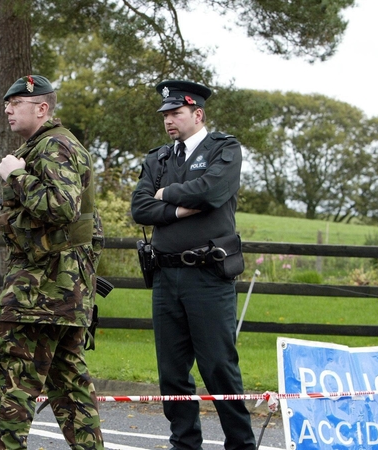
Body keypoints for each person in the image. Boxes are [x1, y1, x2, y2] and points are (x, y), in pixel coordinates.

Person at [130, 80, 256, 450]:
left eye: (176, 113)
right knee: (172, 371)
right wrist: (185, 206)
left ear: (197, 114)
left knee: (218, 366)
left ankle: (240, 444)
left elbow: (214, 191)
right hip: (166, 275)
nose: (169, 120)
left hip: (207, 274)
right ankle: (184, 443)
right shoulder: (158, 158)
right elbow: (140, 208)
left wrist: (165, 196)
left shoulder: (224, 149)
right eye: (165, 115)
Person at [0, 74, 105, 450]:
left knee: (10, 388)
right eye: (7, 103)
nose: (7, 108)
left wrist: (16, 175)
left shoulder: (52, 146)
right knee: (69, 389)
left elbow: (61, 207)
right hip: (60, 293)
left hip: (40, 295)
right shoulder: (49, 145)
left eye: (16, 103)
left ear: (42, 108)